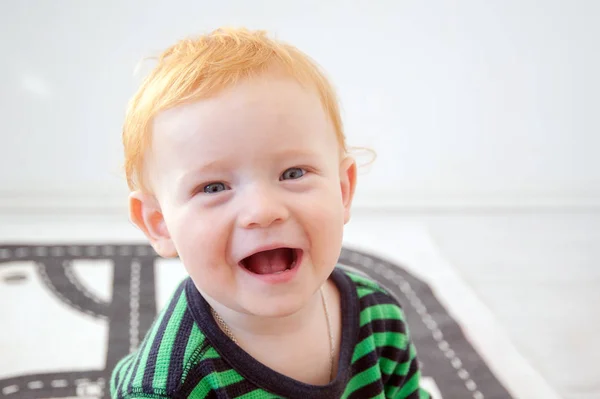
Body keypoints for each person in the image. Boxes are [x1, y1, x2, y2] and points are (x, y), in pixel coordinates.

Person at [110, 27, 430, 399]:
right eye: (214, 187)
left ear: (342, 191)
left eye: (293, 173)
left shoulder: (378, 316)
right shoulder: (168, 386)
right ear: (160, 223)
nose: (263, 211)